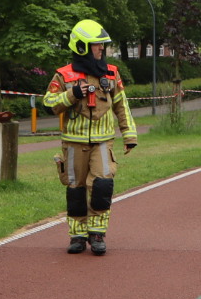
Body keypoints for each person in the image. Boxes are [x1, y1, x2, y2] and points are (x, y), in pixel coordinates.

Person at [44, 19, 139, 256]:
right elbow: (49, 103)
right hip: (73, 143)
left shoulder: (111, 73)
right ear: (81, 47)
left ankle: (97, 235)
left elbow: (122, 105)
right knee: (75, 190)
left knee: (102, 185)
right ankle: (77, 236)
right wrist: (72, 94)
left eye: (102, 45)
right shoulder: (63, 75)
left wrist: (129, 134)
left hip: (103, 142)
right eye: (96, 45)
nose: (101, 49)